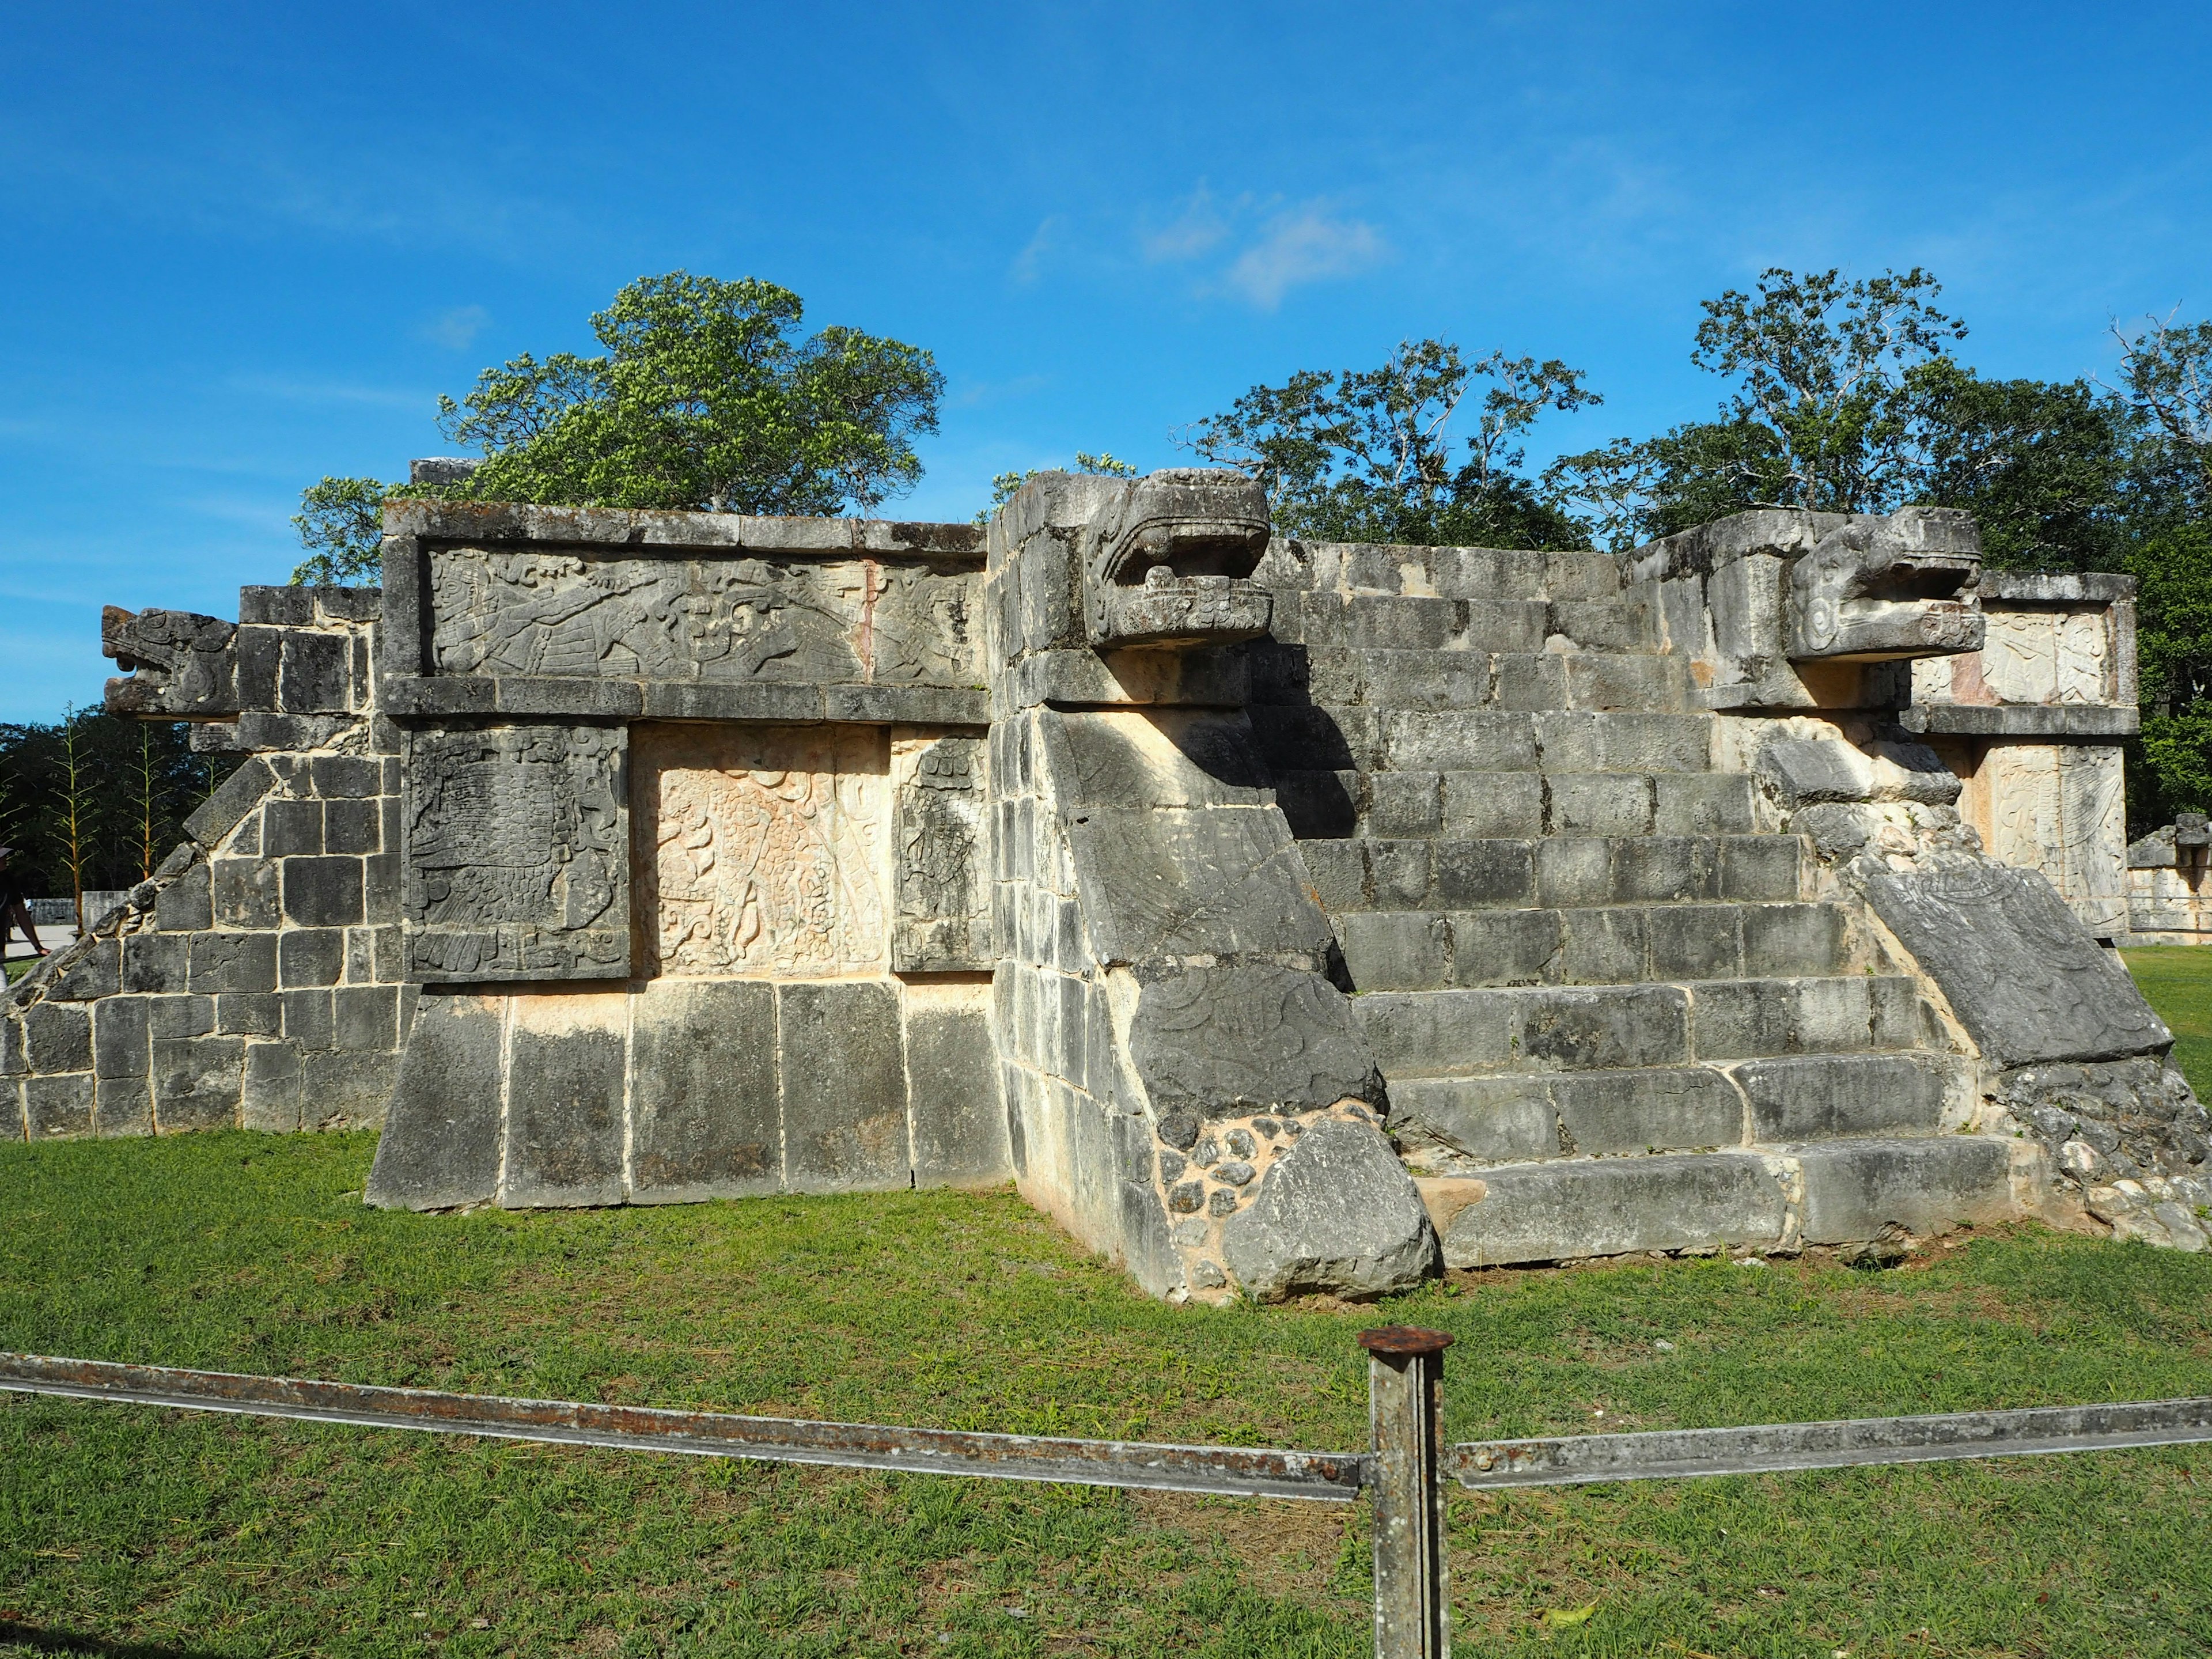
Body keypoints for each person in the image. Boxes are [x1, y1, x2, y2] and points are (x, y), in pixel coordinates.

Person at [0, 846, 47, 960]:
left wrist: (38, 947)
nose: (6, 859)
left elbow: (22, 914)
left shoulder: (8, 880)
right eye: (2, 857)